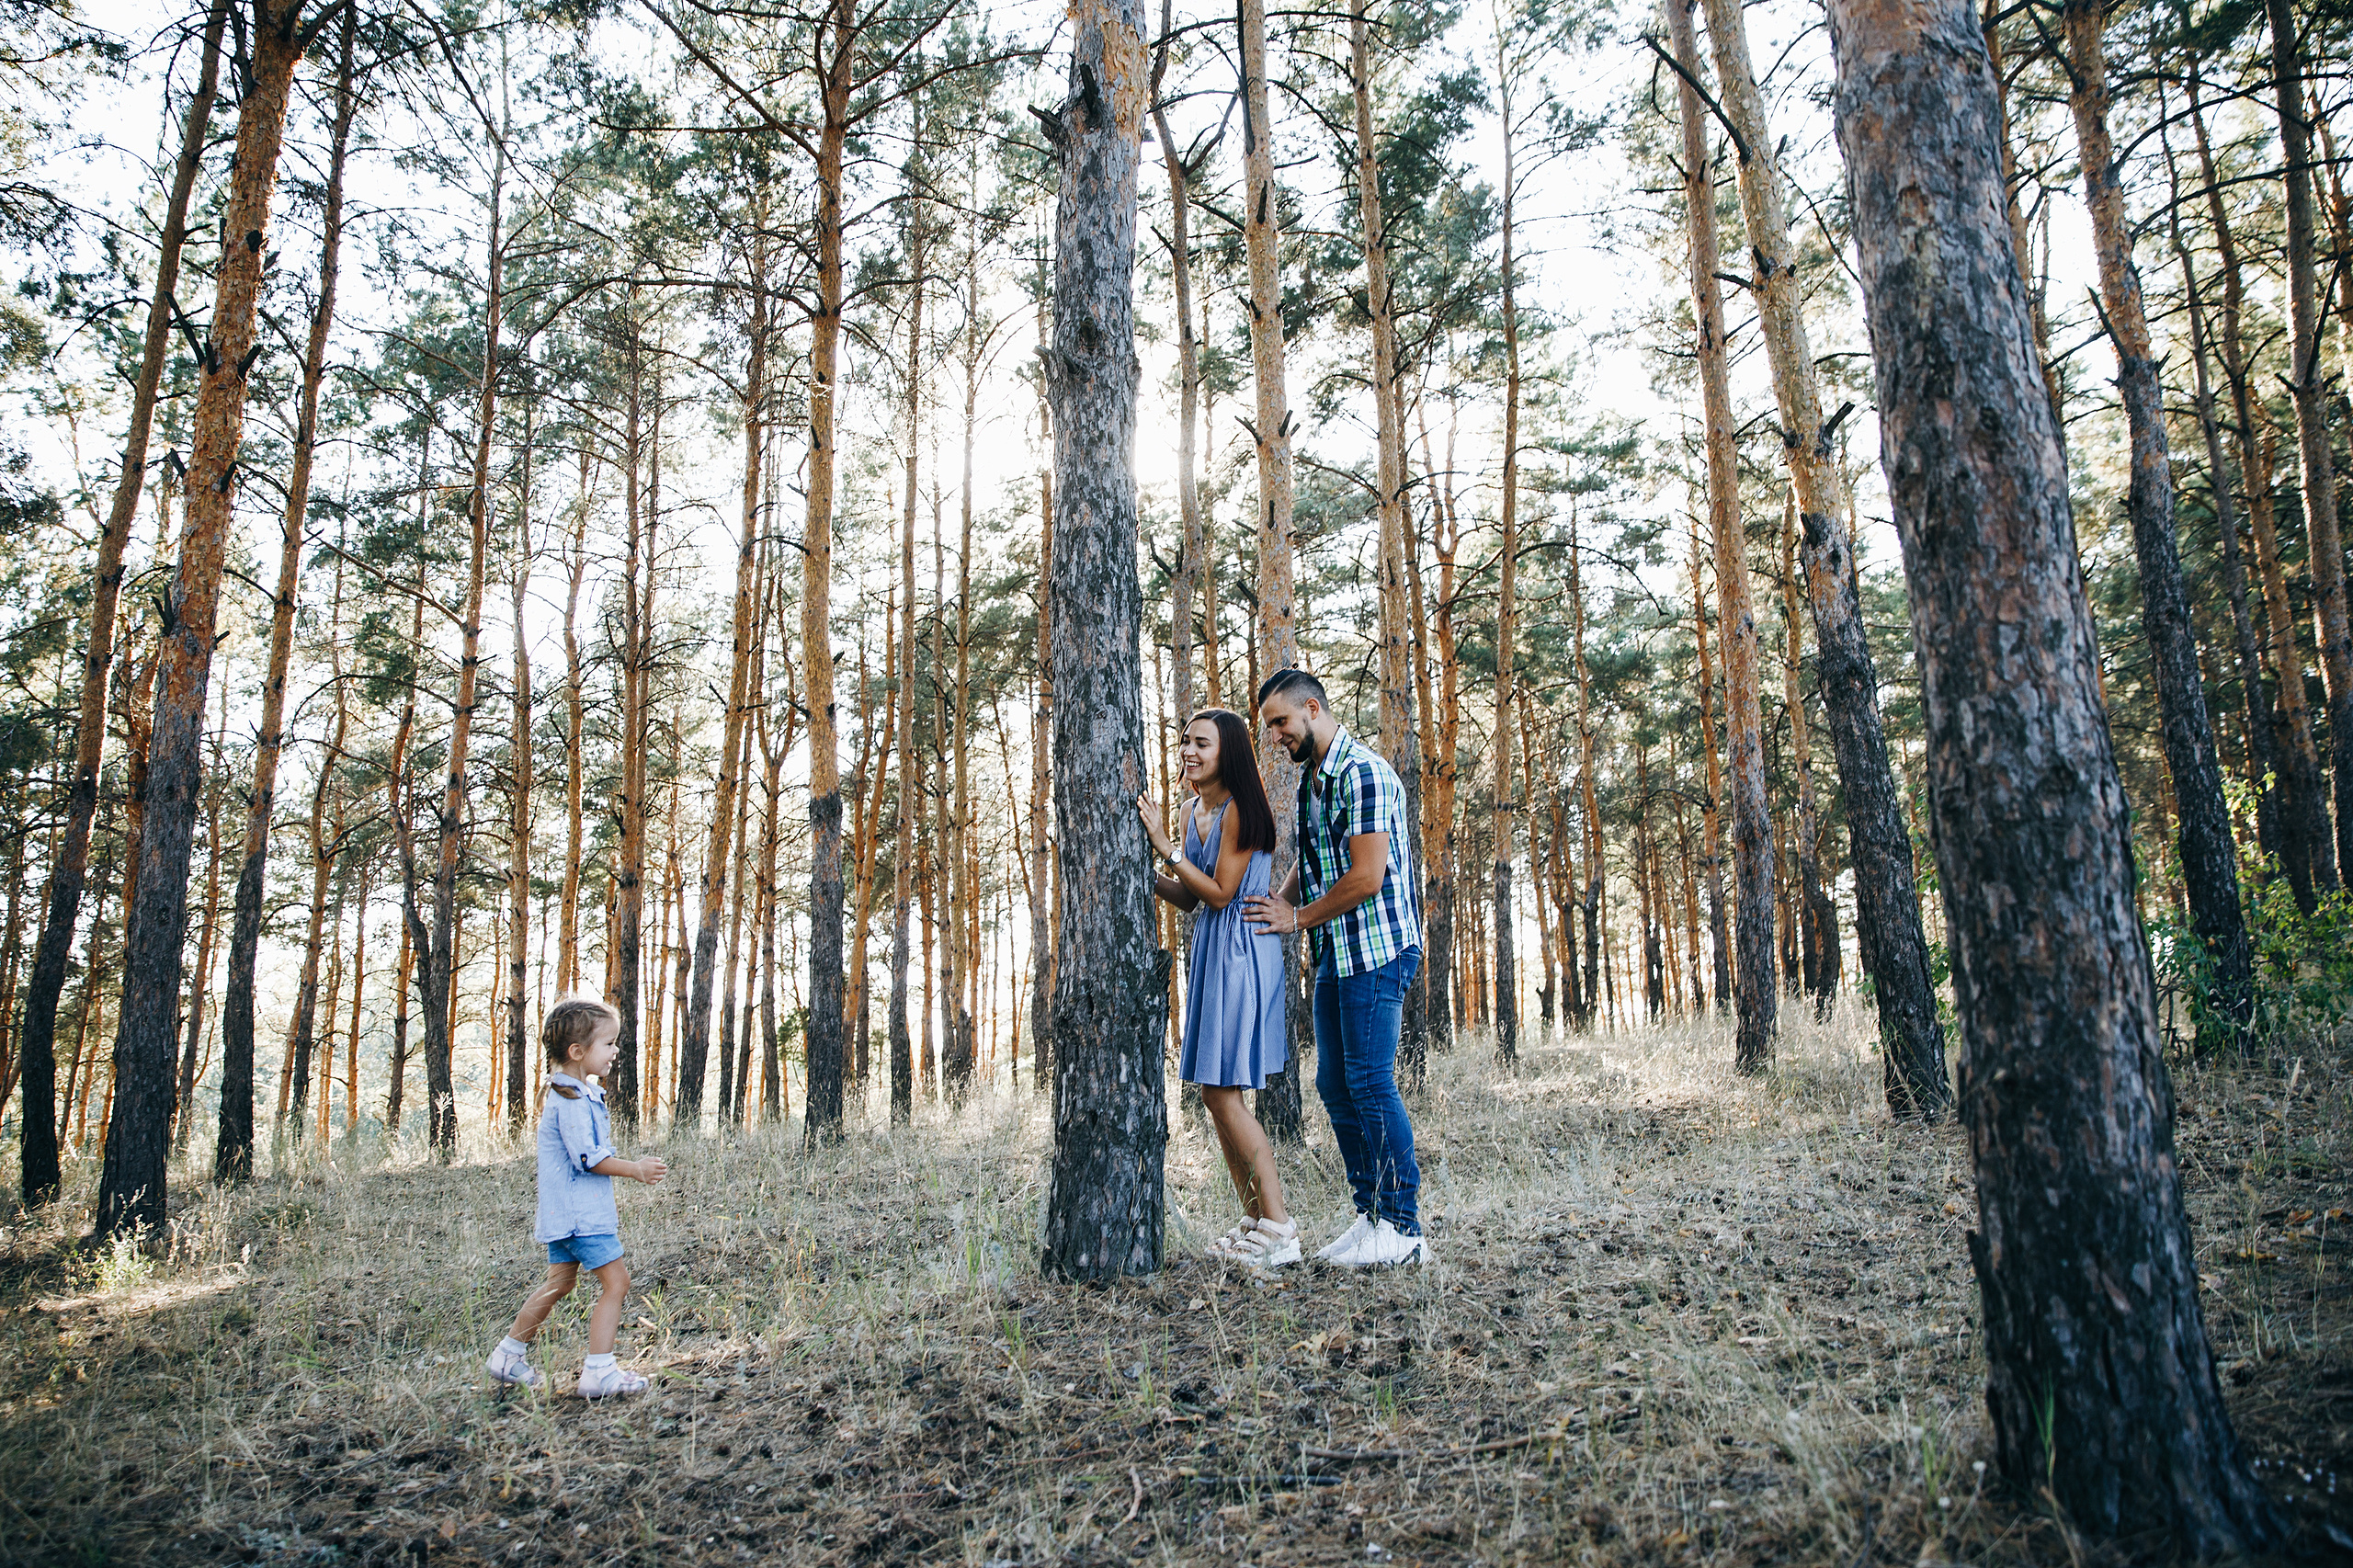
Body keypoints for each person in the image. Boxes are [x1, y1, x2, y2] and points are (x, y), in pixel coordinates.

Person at [1244, 669, 1428, 1267]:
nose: (1275, 736)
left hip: (1377, 949)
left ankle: (1403, 1229)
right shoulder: (1315, 780)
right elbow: (1315, 859)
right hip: (1337, 952)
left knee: (1369, 1081)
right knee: (1333, 1084)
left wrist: (1297, 920)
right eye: (1269, 727)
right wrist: (1281, 903)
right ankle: (1372, 1215)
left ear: (1313, 709)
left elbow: (1366, 876)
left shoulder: (1363, 773)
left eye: (1280, 722)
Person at [1139, 709, 1301, 1269]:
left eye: (1202, 743)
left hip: (1243, 951)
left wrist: (1165, 847)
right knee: (1214, 1094)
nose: (1189, 750)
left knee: (1223, 1092)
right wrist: (1144, 875)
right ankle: (1254, 1221)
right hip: (1212, 950)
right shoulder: (1191, 811)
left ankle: (1280, 1226)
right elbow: (1190, 896)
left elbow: (1222, 893)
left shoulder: (1241, 809)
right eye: (1186, 741)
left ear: (1226, 751)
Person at [485, 995, 669, 1395]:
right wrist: (635, 1169)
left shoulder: (578, 1092)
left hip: (565, 1214)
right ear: (577, 1051)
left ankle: (508, 1354)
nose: (615, 1051)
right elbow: (587, 1158)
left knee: (559, 1284)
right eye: (609, 1043)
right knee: (617, 1283)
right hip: (580, 1217)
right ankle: (599, 1371)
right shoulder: (568, 1100)